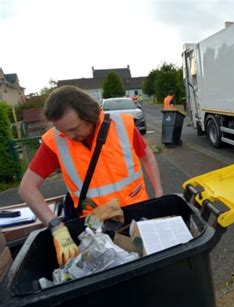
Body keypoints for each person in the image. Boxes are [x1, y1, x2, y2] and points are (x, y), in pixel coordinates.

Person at [18, 86, 163, 267]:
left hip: (137, 214)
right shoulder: (54, 140)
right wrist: (56, 226)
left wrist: (158, 194)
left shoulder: (122, 125)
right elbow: (26, 188)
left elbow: (147, 157)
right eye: (63, 131)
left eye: (73, 128)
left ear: (89, 115)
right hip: (96, 228)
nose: (69, 136)